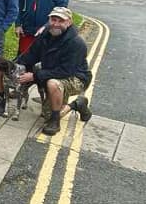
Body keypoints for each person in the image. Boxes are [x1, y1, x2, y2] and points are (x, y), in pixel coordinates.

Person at [17, 7, 92, 135]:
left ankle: (70, 109)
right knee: (46, 113)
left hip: (76, 77)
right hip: (53, 71)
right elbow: (31, 55)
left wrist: (34, 77)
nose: (56, 24)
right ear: (49, 20)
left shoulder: (76, 43)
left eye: (60, 21)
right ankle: (54, 106)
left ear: (69, 22)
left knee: (53, 84)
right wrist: (15, 65)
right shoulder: (45, 35)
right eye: (53, 19)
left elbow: (65, 71)